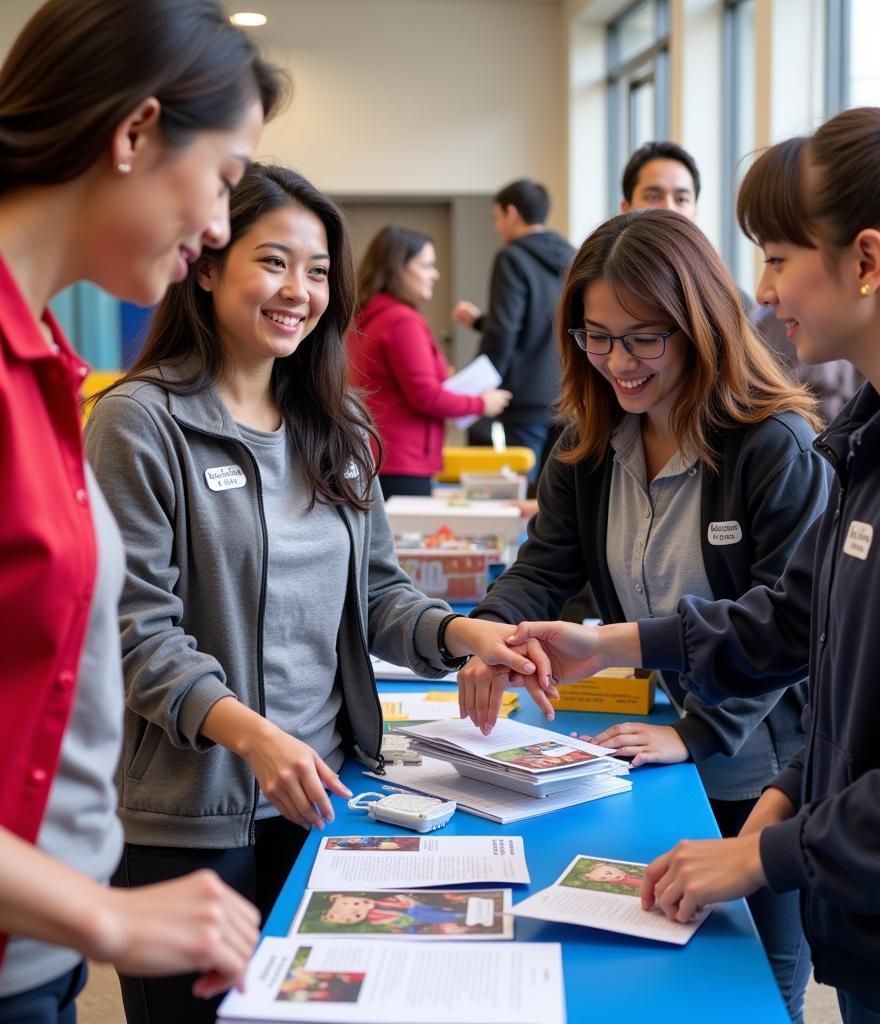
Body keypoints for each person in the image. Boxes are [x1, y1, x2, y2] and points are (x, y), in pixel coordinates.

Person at [502, 80, 880, 1024]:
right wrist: (611, 647)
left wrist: (765, 850)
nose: (768, 290)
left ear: (867, 262)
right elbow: (801, 624)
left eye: (780, 258)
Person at [85, 163, 541, 1024]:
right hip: (193, 815)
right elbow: (135, 633)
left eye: (320, 270)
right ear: (208, 266)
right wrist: (254, 738)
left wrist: (462, 636)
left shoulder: (341, 426)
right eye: (274, 262)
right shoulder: (140, 423)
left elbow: (377, 596)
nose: (299, 291)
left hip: (327, 795)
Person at [459, 209, 828, 1022]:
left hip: (767, 769)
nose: (618, 363)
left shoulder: (773, 448)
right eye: (596, 337)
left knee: (756, 990)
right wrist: (491, 634)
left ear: (697, 326)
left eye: (642, 339)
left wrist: (696, 734)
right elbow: (544, 566)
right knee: (647, 977)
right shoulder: (587, 440)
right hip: (655, 751)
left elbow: (788, 625)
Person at [0, 1, 286, 1020]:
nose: (218, 228)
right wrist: (110, 917)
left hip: (38, 946)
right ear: (133, 133)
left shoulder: (46, 368)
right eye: (223, 181)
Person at [623, 140, 862, 419]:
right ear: (626, 208)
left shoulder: (732, 304)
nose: (668, 208)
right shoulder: (598, 293)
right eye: (653, 196)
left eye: (682, 198)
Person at [348, 226, 511, 498]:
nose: (434, 274)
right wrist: (482, 403)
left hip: (382, 455)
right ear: (398, 268)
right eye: (426, 266)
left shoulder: (372, 316)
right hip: (403, 461)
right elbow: (425, 396)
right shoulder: (401, 321)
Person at [451, 179, 576, 479]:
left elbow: (506, 329)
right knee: (559, 492)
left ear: (511, 213)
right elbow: (548, 322)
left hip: (524, 400)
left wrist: (483, 383)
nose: (497, 228)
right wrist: (483, 321)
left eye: (496, 218)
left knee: (521, 489)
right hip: (568, 394)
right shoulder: (575, 256)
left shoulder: (511, 257)